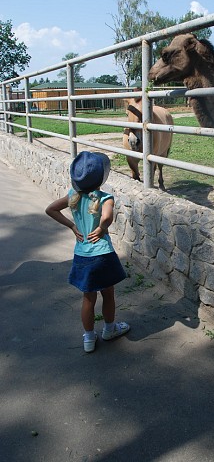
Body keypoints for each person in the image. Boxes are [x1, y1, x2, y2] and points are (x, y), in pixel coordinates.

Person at [46, 150, 130, 353]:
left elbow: (51, 209)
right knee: (108, 294)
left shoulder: (72, 197)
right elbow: (107, 217)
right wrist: (102, 228)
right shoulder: (105, 198)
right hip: (102, 254)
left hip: (82, 255)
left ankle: (88, 339)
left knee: (88, 298)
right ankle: (109, 329)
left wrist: (72, 226)